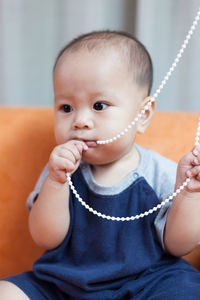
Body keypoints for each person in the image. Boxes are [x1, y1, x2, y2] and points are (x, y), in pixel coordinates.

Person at [1, 30, 200, 300]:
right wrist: (56, 183)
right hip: (64, 283)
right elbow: (46, 238)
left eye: (99, 105)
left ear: (142, 115)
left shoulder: (160, 172)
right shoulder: (60, 169)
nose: (80, 121)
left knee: (186, 289)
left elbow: (179, 246)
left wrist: (188, 194)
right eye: (66, 108)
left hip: (146, 283)